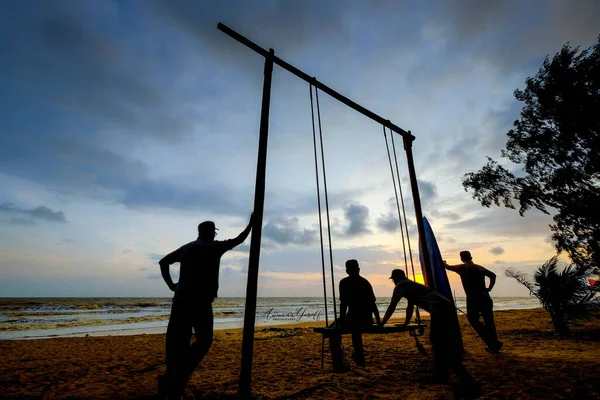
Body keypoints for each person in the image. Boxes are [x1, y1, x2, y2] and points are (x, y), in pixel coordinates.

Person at [158, 214, 254, 399]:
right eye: (215, 232)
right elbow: (239, 239)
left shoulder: (186, 248)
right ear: (211, 233)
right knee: (204, 340)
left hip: (180, 302)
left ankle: (174, 381)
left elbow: (163, 262)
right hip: (200, 303)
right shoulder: (214, 246)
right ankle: (177, 377)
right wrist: (251, 223)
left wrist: (172, 285)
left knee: (178, 343)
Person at [380, 269, 482, 398]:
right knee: (439, 342)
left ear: (395, 279)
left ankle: (452, 377)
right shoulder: (411, 284)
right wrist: (406, 323)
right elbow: (410, 306)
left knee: (438, 342)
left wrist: (382, 324)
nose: (393, 282)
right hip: (446, 308)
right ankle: (442, 373)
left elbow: (392, 305)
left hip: (441, 310)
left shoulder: (401, 285)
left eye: (393, 280)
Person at [444, 251, 502, 353]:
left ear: (461, 259)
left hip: (473, 299)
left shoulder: (462, 268)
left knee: (473, 319)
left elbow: (447, 267)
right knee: (489, 322)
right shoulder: (479, 267)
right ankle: (493, 343)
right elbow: (493, 275)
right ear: (471, 257)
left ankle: (492, 342)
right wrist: (489, 288)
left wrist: (442, 262)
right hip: (485, 297)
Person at [338, 259, 381, 367]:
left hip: (353, 319)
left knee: (335, 329)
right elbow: (373, 304)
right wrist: (378, 321)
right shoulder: (365, 282)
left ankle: (343, 359)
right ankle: (358, 355)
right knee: (354, 330)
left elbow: (344, 304)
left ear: (347, 271)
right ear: (359, 269)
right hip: (366, 319)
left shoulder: (344, 283)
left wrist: (342, 319)